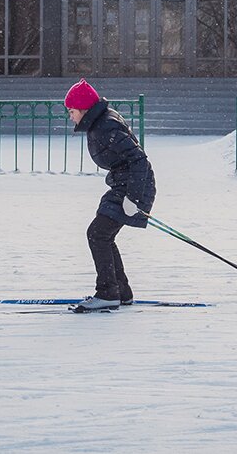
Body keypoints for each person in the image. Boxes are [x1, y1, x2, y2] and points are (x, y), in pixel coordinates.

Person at [64, 78, 156, 312]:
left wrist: (133, 199)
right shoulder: (100, 123)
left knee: (98, 234)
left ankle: (107, 292)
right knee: (102, 234)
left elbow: (139, 160)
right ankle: (120, 292)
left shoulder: (106, 126)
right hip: (124, 184)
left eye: (71, 111)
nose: (70, 116)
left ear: (84, 109)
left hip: (134, 185)